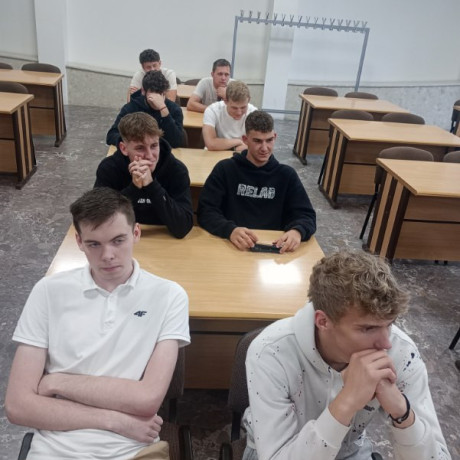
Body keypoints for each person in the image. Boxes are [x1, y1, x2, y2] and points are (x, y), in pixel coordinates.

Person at [5, 187, 191, 460]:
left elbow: (146, 400)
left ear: (136, 233)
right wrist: (115, 421)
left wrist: (58, 381)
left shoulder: (169, 295)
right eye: (94, 244)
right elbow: (18, 406)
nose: (107, 255)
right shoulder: (48, 291)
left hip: (133, 450)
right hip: (56, 450)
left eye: (118, 240)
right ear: (79, 242)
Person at [242, 250, 451, 460]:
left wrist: (402, 412)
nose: (386, 343)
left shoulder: (402, 352)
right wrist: (347, 401)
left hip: (350, 451)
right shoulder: (271, 352)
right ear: (323, 321)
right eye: (368, 328)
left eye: (389, 324)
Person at [198, 110, 316, 252]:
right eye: (257, 141)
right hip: (232, 247)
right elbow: (206, 211)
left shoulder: (287, 175)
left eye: (269, 140)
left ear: (275, 137)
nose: (264, 148)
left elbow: (307, 216)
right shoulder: (225, 169)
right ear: (245, 139)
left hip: (273, 249)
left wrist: (297, 231)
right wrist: (229, 230)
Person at [97, 112, 193, 239]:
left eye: (154, 146)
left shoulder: (176, 170)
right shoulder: (109, 169)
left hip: (164, 241)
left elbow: (183, 227)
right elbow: (99, 221)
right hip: (121, 239)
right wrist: (134, 188)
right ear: (124, 148)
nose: (149, 155)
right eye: (140, 148)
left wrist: (152, 186)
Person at [107, 70, 184, 148]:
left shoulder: (174, 109)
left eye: (160, 92)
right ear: (143, 91)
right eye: (153, 92)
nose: (157, 97)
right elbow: (111, 135)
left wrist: (163, 110)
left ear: (165, 92)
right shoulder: (132, 107)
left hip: (162, 152)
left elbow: (176, 142)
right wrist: (136, 142)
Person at [202, 80, 257, 151]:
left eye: (243, 107)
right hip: (216, 153)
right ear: (225, 101)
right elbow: (210, 144)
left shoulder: (254, 113)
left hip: (240, 153)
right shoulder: (212, 110)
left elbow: (257, 144)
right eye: (234, 108)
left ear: (248, 100)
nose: (239, 112)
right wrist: (238, 142)